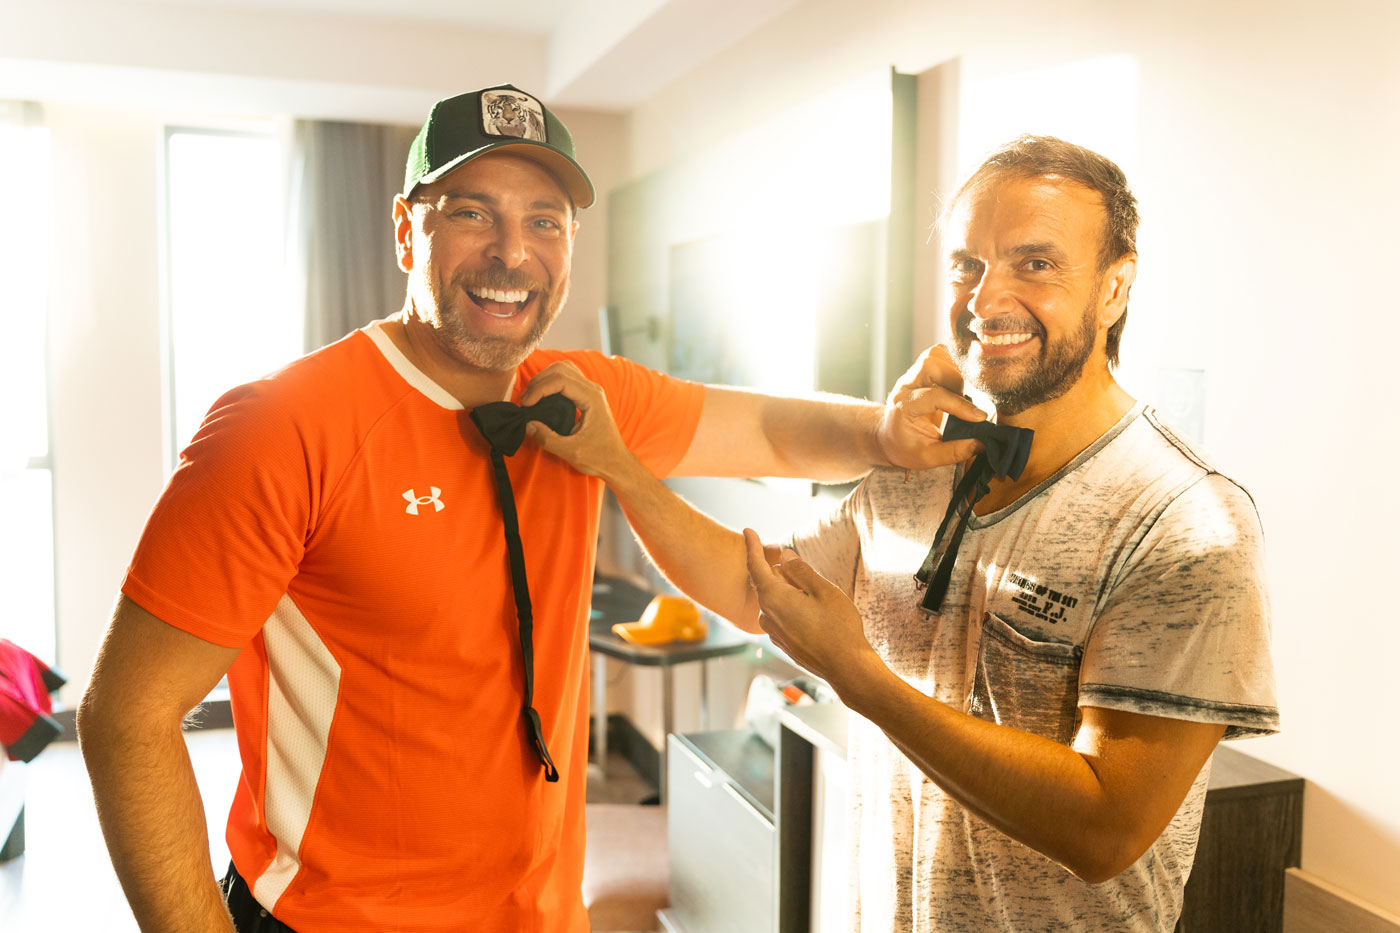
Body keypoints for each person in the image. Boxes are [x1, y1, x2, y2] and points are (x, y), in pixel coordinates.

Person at [75, 84, 944, 933]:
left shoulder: (582, 397)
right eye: (470, 212)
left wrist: (886, 429)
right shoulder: (279, 426)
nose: (511, 251)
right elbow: (126, 717)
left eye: (544, 220)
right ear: (404, 228)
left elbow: (764, 427)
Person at [534, 135, 1278, 931]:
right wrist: (619, 467)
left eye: (1035, 263)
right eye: (967, 264)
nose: (986, 299)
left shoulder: (1188, 522)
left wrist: (862, 678)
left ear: (1114, 286)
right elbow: (761, 592)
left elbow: (1107, 827)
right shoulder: (920, 464)